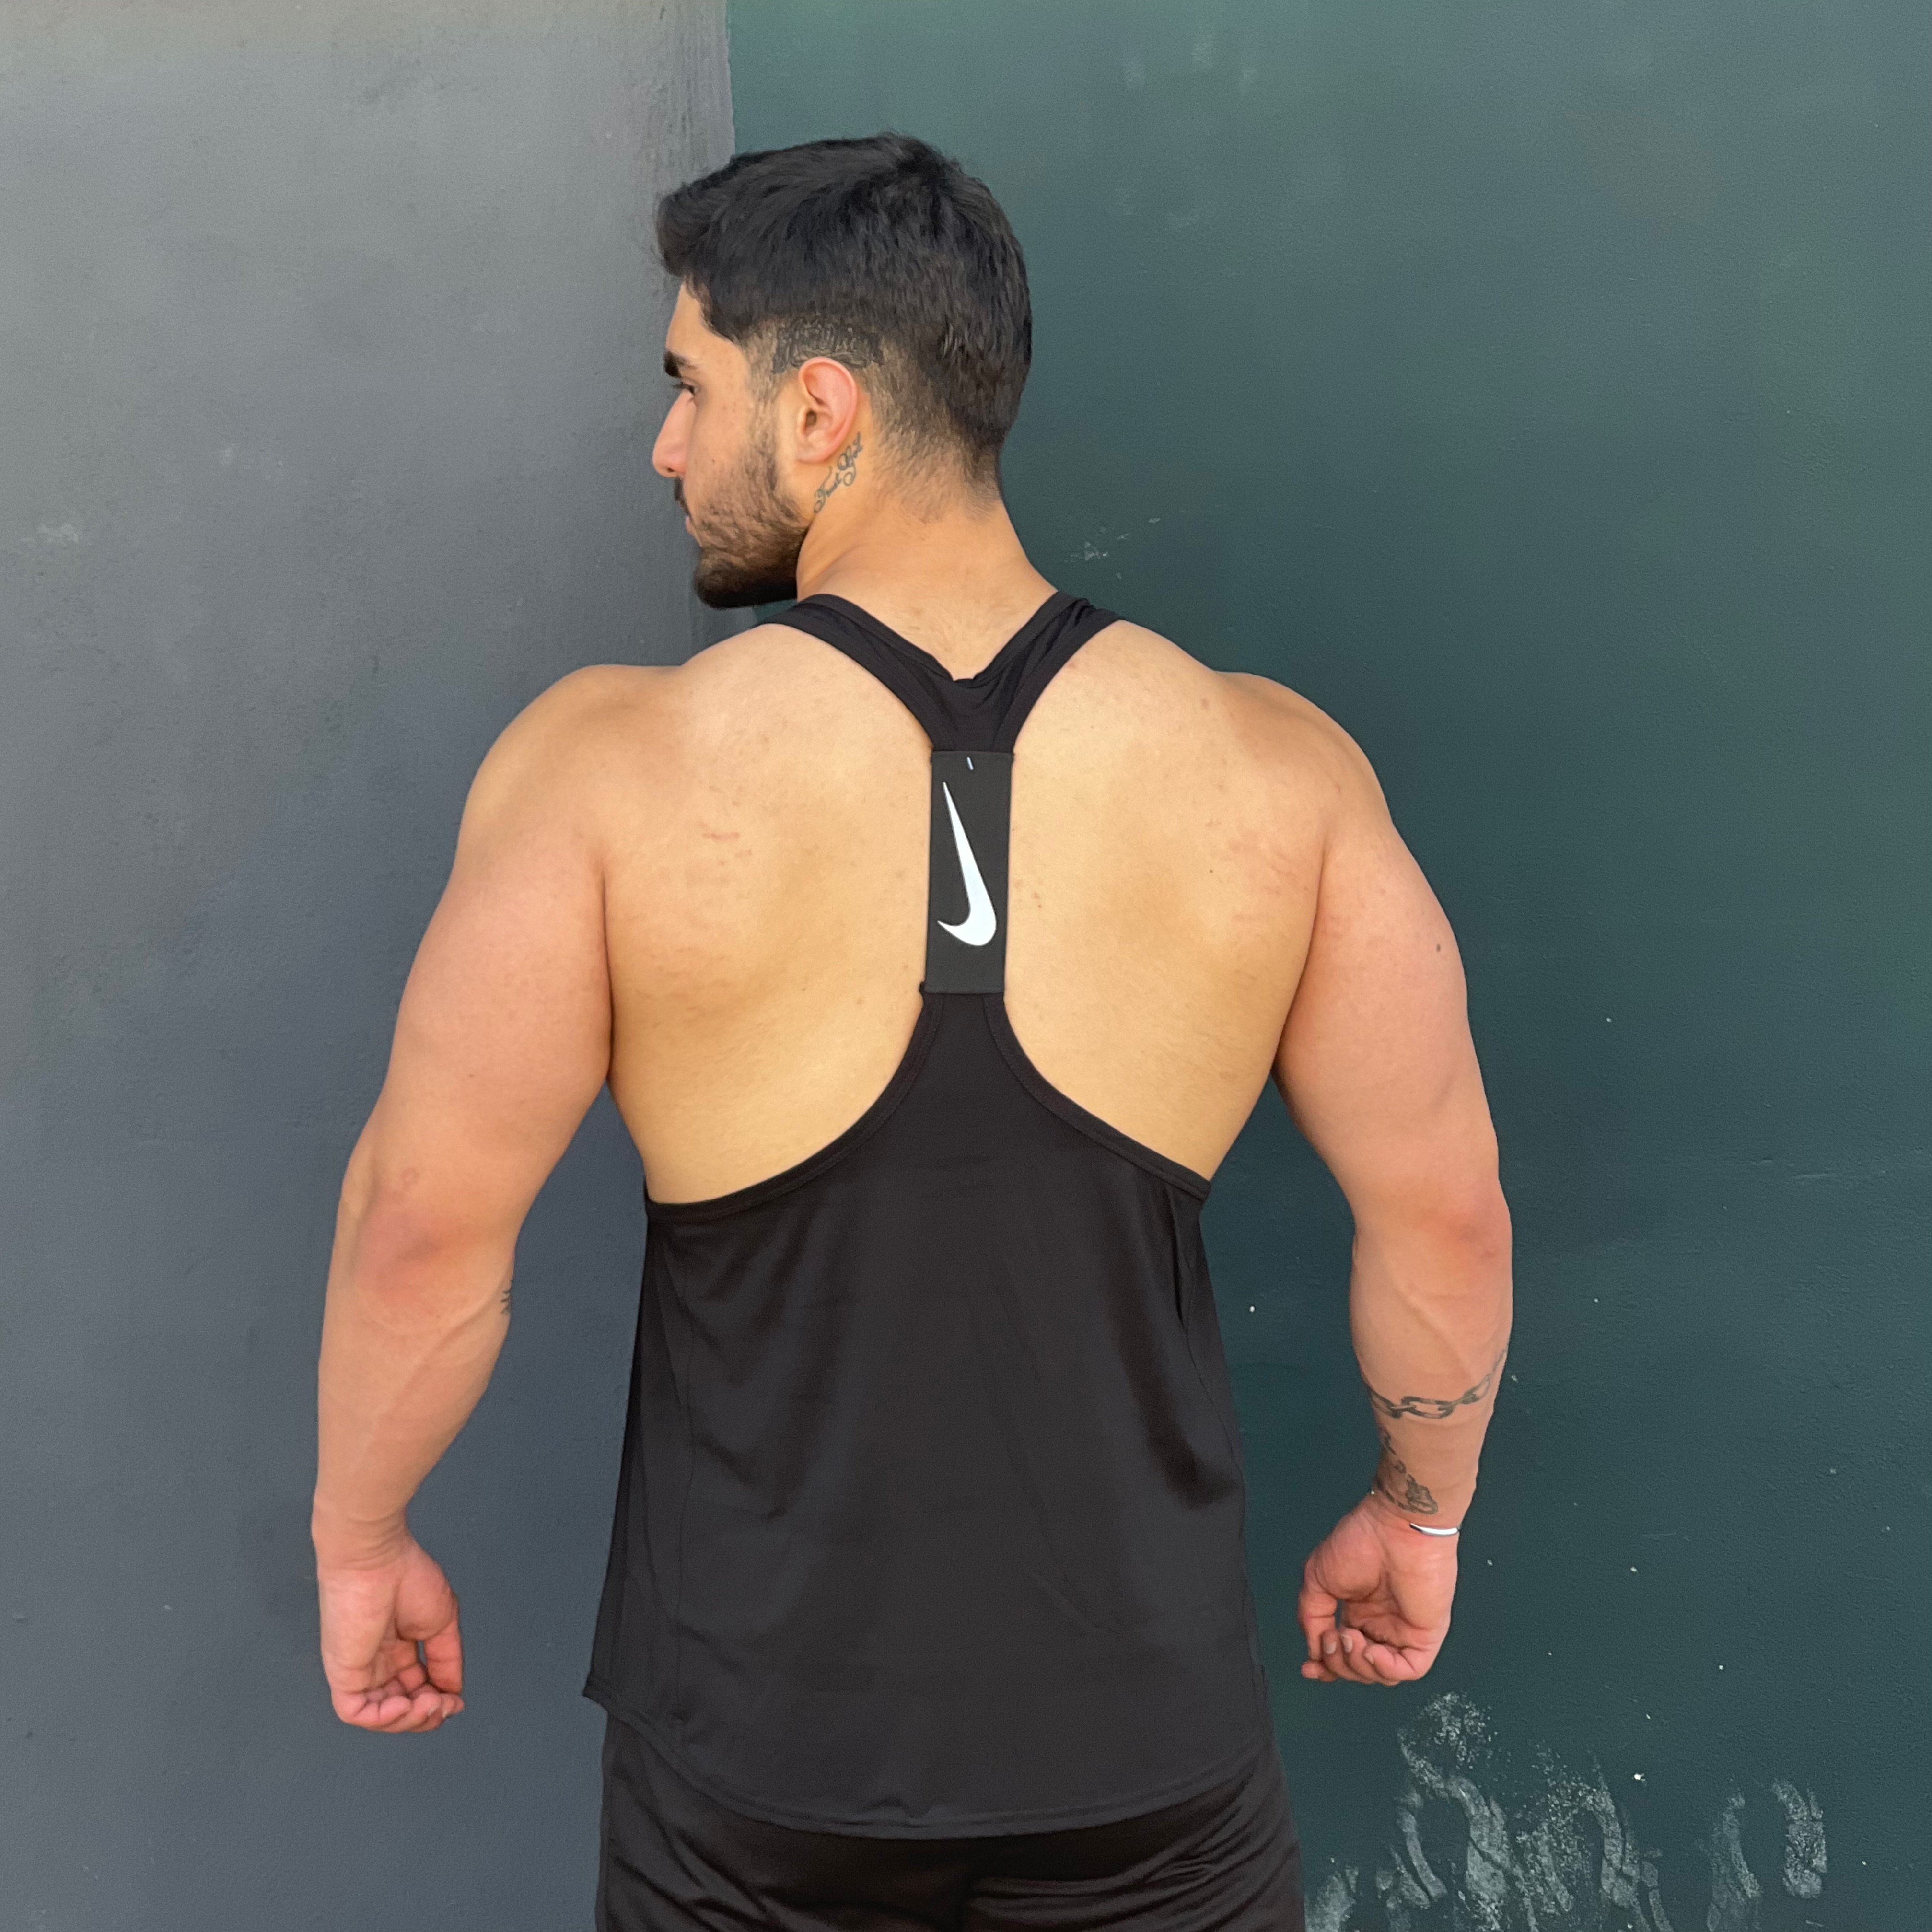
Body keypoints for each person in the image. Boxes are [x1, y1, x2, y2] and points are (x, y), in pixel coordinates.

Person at [312, 133, 1512, 1931]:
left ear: (819, 412)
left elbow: (421, 1231)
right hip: (1150, 1775)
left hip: (753, 1784)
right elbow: (1449, 1218)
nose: (665, 448)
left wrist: (363, 1539)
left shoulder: (610, 772)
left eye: (688, 387)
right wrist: (1418, 1518)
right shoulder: (1278, 773)